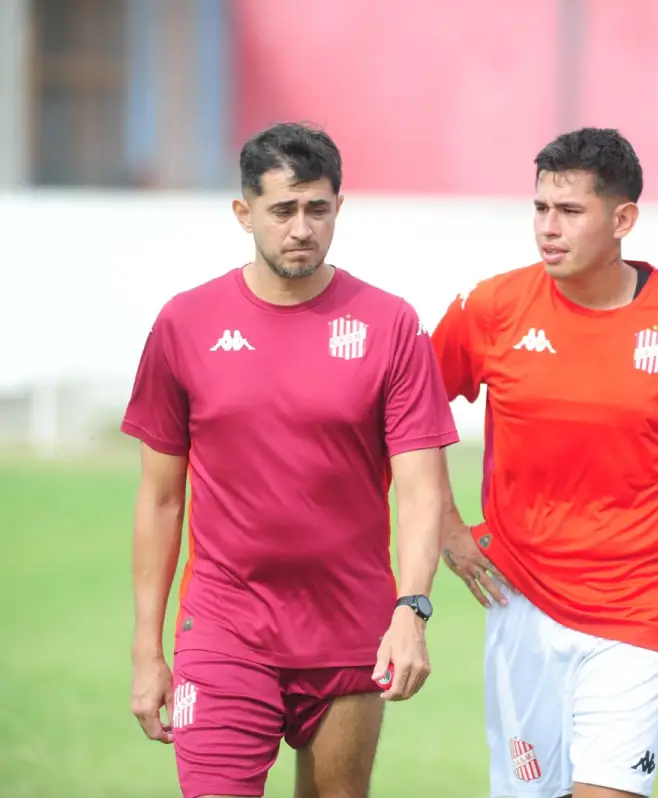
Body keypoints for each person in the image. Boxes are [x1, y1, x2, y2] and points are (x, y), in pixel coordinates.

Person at [122, 122, 458, 798]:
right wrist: (146, 648)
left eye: (318, 208)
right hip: (224, 630)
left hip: (352, 633)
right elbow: (160, 499)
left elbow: (421, 491)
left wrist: (411, 610)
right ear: (244, 213)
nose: (301, 228)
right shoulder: (185, 325)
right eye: (283, 210)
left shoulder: (390, 326)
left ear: (339, 206)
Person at [430, 127, 658, 798]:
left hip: (639, 612)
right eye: (541, 209)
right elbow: (408, 417)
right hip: (518, 600)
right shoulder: (492, 308)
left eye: (570, 211)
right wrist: (448, 531)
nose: (548, 228)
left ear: (623, 219)